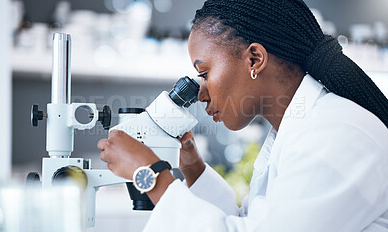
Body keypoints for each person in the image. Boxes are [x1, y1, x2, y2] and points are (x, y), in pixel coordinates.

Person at [97, 0, 388, 231]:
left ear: (254, 59)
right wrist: (191, 164)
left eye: (204, 73)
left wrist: (148, 174)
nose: (201, 94)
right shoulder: (300, 130)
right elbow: (248, 222)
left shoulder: (336, 135)